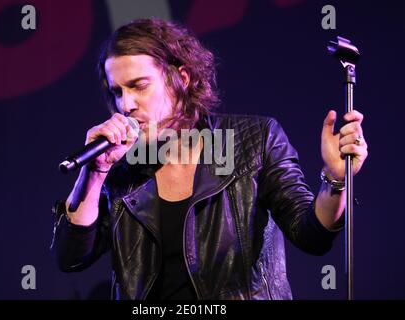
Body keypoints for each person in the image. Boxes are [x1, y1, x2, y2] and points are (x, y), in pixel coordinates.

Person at [51, 18, 368, 300]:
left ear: (182, 79)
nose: (126, 104)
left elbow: (311, 235)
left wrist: (336, 180)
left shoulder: (251, 139)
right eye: (117, 92)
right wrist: (95, 172)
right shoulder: (122, 164)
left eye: (139, 86)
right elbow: (71, 258)